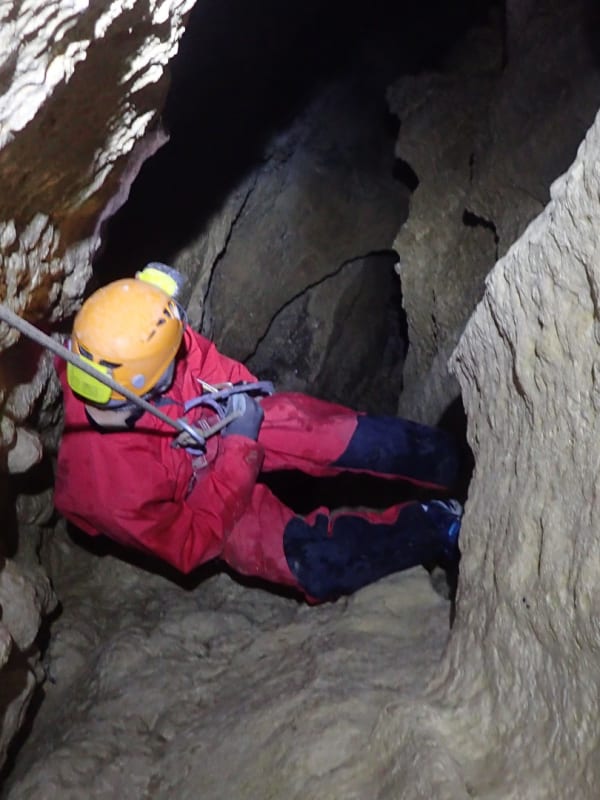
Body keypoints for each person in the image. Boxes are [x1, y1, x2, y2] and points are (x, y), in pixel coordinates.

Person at [54, 264, 464, 603]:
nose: (181, 352)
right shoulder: (112, 493)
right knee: (315, 565)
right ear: (149, 383)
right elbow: (193, 542)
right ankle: (435, 525)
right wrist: (239, 450)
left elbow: (202, 361)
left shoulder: (123, 346)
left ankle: (458, 461)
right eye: (171, 358)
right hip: (204, 503)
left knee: (337, 435)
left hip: (211, 419)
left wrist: (237, 400)